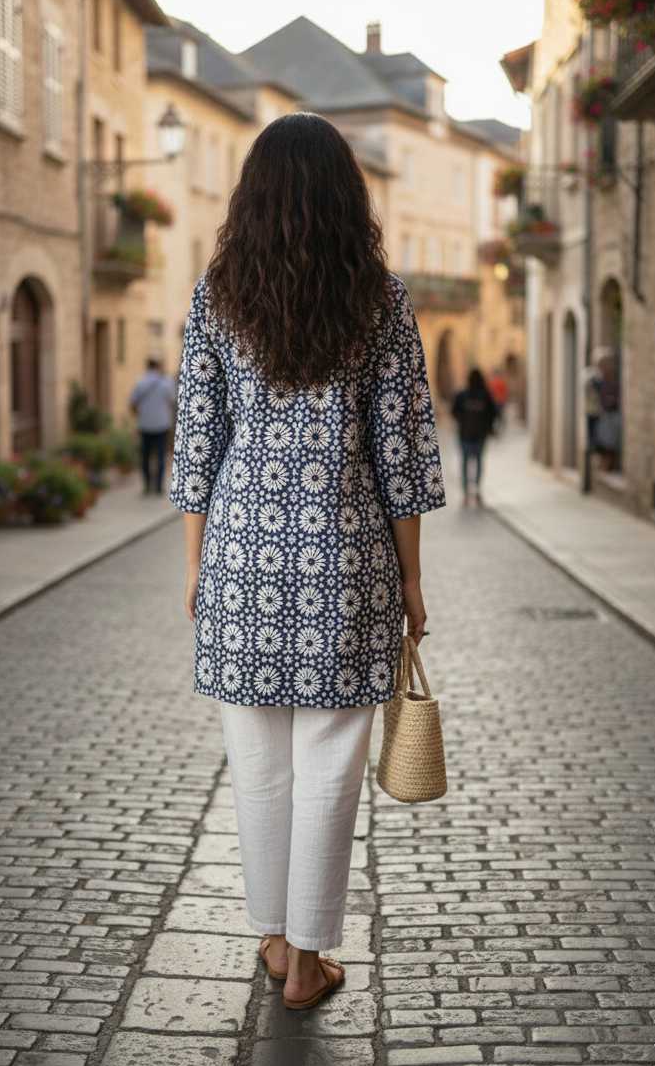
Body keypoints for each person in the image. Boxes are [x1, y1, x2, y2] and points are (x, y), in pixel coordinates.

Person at [170, 113, 445, 1011]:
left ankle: (277, 939)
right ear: (345, 196)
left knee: (256, 758)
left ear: (251, 196)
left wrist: (196, 567)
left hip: (243, 558)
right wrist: (410, 582)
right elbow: (401, 452)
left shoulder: (217, 295)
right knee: (329, 758)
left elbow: (197, 445)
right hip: (346, 556)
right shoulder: (381, 298)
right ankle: (311, 960)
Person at [129, 358, 176, 494]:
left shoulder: (140, 382)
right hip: (162, 424)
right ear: (158, 366)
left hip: (145, 424)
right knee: (160, 455)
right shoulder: (165, 382)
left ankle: (147, 485)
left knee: (145, 456)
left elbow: (132, 404)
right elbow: (173, 402)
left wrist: (140, 415)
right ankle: (159, 487)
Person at [451, 368, 497, 506]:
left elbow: (454, 411)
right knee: (478, 461)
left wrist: (463, 422)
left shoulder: (462, 394)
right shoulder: (485, 395)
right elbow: (493, 413)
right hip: (480, 434)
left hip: (465, 434)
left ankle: (466, 492)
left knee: (465, 462)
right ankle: (477, 489)